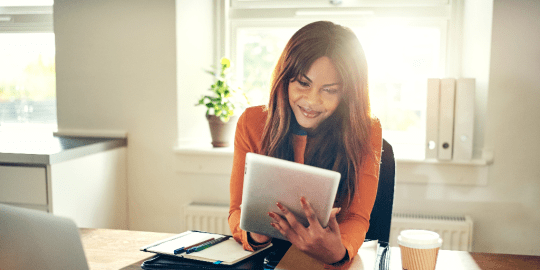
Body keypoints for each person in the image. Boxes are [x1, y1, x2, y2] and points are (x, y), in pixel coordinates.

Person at [228, 21, 382, 268]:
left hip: (328, 261)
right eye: (303, 83)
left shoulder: (367, 130)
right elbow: (237, 209)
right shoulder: (252, 122)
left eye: (329, 90)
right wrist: (255, 233)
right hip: (269, 257)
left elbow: (356, 217)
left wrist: (338, 251)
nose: (311, 101)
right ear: (285, 78)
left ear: (347, 95)